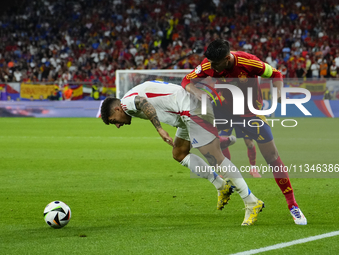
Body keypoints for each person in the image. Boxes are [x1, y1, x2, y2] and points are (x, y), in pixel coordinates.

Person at [100, 80, 264, 226]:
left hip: (190, 110)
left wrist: (159, 129)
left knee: (216, 158)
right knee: (179, 153)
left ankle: (251, 202)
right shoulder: (129, 101)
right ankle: (221, 186)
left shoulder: (126, 103)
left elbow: (144, 102)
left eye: (114, 121)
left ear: (116, 109)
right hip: (184, 114)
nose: (118, 125)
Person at [181, 39, 307, 225]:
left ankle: (293, 205)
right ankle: (236, 188)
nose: (212, 69)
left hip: (250, 114)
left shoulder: (248, 62)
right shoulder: (209, 64)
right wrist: (196, 92)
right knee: (211, 150)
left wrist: (279, 93)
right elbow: (186, 81)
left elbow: (276, 74)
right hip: (223, 113)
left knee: (272, 157)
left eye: (216, 64)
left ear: (227, 58)